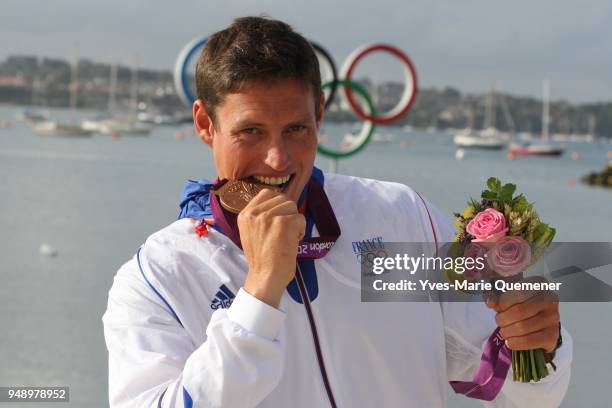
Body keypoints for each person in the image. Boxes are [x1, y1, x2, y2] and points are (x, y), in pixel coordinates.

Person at [102, 16, 572, 407]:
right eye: (250, 132)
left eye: (295, 128)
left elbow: (523, 390)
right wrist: (259, 295)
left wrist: (540, 341)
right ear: (206, 124)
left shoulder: (396, 217)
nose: (277, 159)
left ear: (321, 113)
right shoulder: (159, 276)